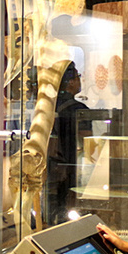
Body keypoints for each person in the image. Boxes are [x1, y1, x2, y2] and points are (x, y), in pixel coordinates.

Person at [48, 62, 90, 222]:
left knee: (52, 205)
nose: (80, 81)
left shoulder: (52, 105)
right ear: (71, 82)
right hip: (69, 165)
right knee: (67, 206)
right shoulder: (78, 108)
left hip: (51, 165)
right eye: (78, 77)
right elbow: (87, 139)